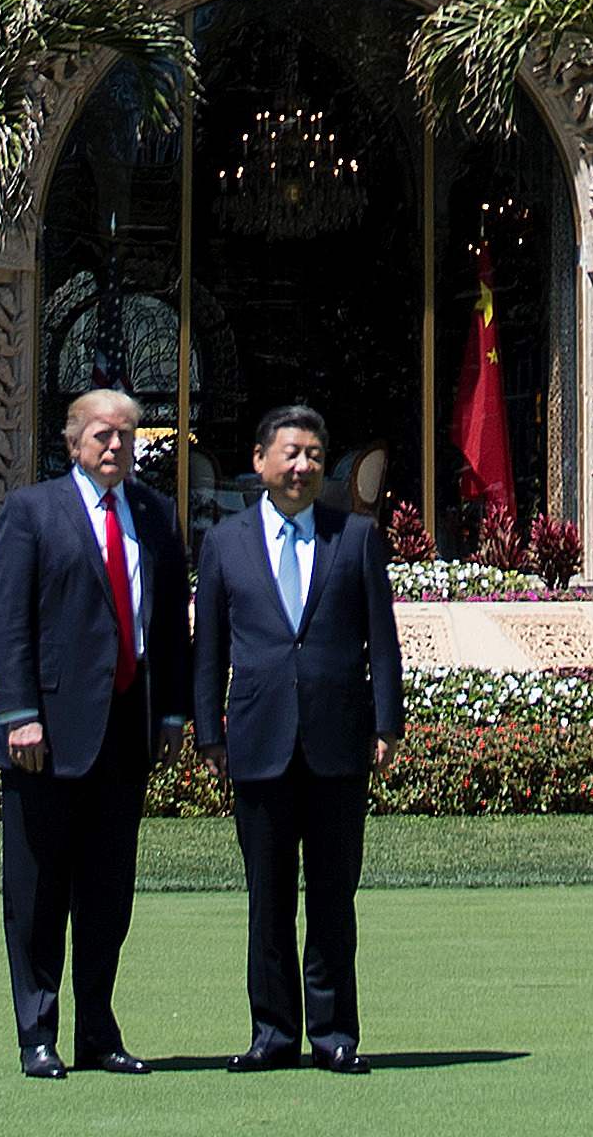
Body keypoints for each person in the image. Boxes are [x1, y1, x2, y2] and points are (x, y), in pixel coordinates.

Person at [0, 386, 190, 1080]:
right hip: (44, 737)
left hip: (125, 735)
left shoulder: (157, 517)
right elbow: (10, 625)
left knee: (107, 895)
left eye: (127, 436)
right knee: (38, 894)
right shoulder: (32, 512)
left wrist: (172, 716)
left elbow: (166, 631)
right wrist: (19, 715)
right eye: (102, 435)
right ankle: (36, 1033)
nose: (115, 446)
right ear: (72, 442)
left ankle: (98, 1032)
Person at [192, 396, 405, 1072]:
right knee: (268, 899)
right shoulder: (224, 543)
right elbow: (210, 650)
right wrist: (207, 733)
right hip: (256, 743)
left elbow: (384, 643)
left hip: (338, 743)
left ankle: (336, 1034)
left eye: (315, 454)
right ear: (259, 462)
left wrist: (387, 723)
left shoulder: (357, 537)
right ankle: (273, 1033)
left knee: (334, 898)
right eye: (292, 453)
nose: (304, 465)